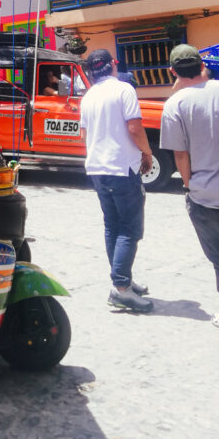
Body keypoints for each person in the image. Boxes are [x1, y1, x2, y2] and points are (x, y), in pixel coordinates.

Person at [79, 48, 154, 313]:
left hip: (97, 168)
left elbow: (84, 134)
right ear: (113, 64)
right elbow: (134, 128)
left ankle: (124, 281)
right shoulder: (124, 90)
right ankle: (121, 287)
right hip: (122, 168)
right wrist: (147, 152)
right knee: (129, 229)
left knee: (112, 226)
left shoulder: (88, 97)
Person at [159, 44, 219, 328]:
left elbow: (180, 154)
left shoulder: (175, 104)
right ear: (202, 65)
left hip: (204, 195)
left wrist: (188, 184)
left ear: (173, 71)